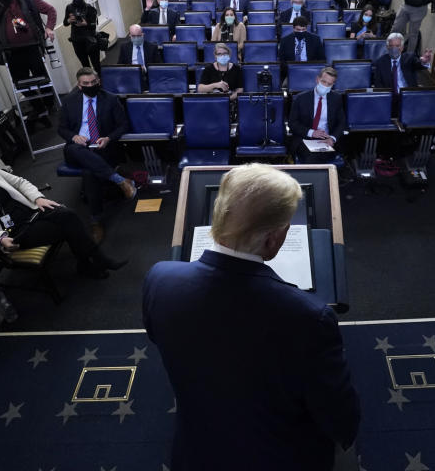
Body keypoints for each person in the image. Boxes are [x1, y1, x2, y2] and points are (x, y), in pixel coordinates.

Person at [142, 163, 360, 470]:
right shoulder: (309, 317)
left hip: (197, 449)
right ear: (272, 240)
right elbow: (340, 417)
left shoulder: (159, 279)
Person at [0, 144, 126, 277]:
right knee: (69, 222)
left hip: (30, 211)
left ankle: (89, 263)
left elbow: (19, 182)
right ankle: (94, 261)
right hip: (13, 233)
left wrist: (38, 197)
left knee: (67, 215)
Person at [58, 68, 137, 234]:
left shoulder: (110, 99)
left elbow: (124, 125)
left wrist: (108, 138)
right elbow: (61, 129)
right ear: (79, 86)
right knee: (75, 149)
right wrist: (74, 136)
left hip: (103, 147)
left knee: (89, 172)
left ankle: (96, 221)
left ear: (99, 81)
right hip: (78, 147)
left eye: (93, 82)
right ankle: (120, 180)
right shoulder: (69, 101)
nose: (90, 85)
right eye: (85, 83)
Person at [288, 67, 345, 163]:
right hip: (305, 139)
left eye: (329, 84)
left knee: (320, 156)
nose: (326, 85)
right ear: (317, 79)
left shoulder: (336, 99)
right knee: (311, 158)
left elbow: (342, 122)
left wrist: (332, 138)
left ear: (333, 85)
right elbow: (292, 123)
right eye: (323, 82)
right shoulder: (301, 98)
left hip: (326, 140)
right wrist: (312, 132)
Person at [63, 0, 100, 71]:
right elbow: (65, 23)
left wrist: (85, 24)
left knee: (96, 64)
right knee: (85, 65)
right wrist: (69, 20)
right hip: (77, 40)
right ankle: (89, 83)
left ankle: (101, 81)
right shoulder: (69, 7)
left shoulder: (89, 8)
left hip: (90, 40)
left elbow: (93, 25)